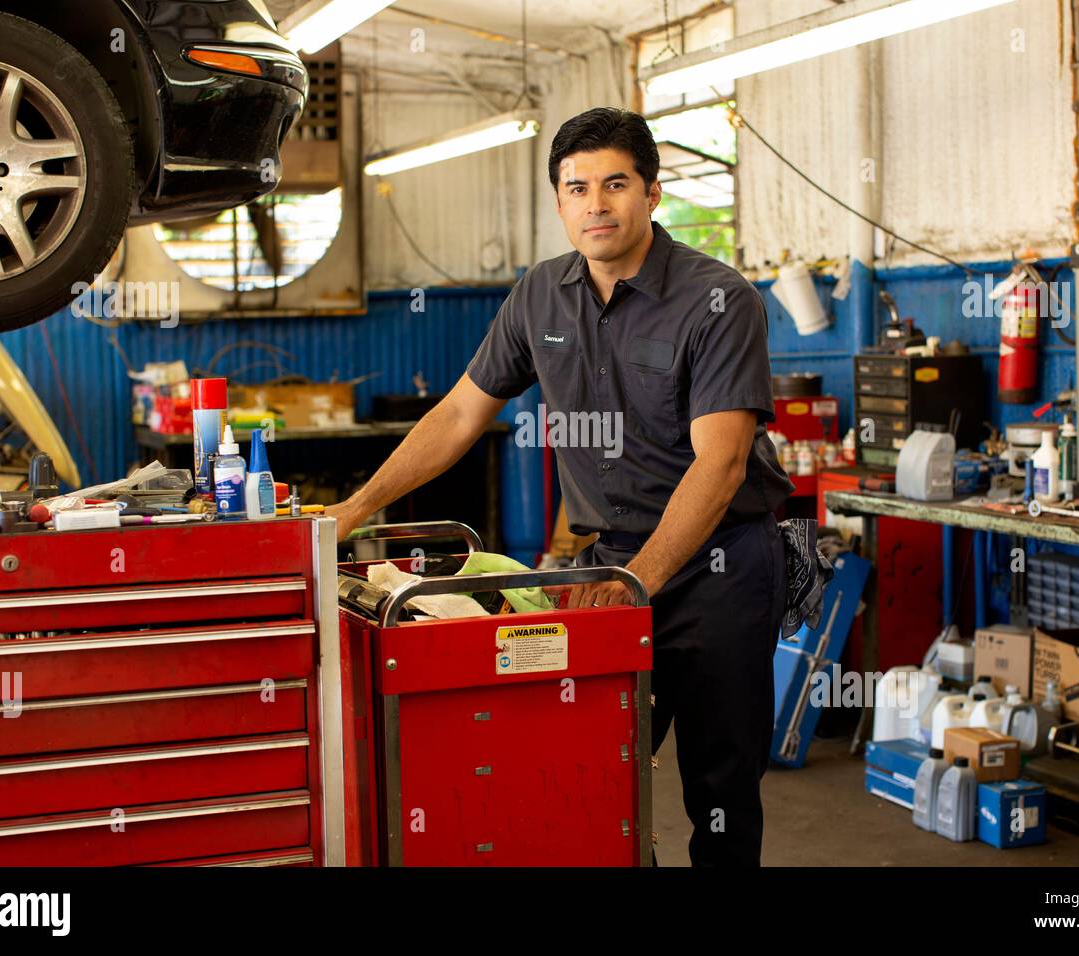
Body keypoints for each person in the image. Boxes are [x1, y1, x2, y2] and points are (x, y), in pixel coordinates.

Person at [329, 106, 794, 866]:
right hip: (611, 562)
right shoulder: (539, 295)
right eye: (577, 188)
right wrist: (355, 509)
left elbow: (722, 465)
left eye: (615, 184)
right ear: (558, 203)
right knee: (588, 766)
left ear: (652, 192)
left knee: (718, 786)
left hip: (717, 568)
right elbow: (455, 416)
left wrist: (638, 580)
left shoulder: (719, 300)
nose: (596, 204)